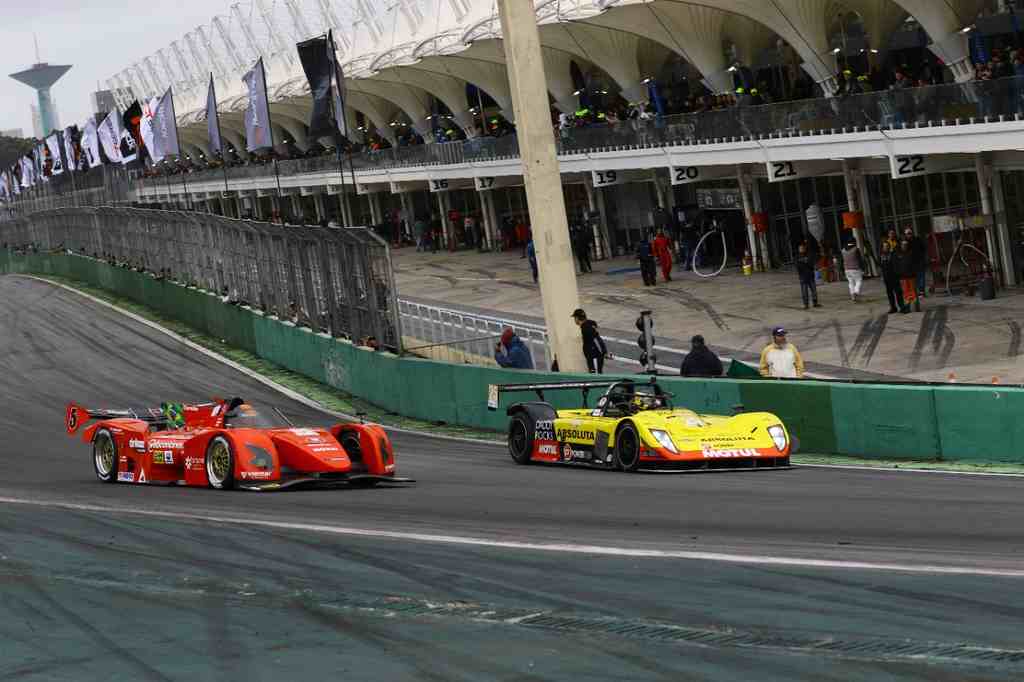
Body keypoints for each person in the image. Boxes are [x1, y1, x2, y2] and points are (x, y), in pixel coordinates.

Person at [571, 308, 608, 374]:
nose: (574, 320)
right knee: (595, 375)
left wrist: (604, 352)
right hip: (593, 356)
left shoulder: (586, 328)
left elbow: (596, 340)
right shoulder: (588, 324)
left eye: (575, 318)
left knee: (596, 376)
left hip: (594, 357)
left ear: (577, 318)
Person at [879, 241, 906, 314]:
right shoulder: (881, 256)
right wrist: (882, 276)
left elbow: (897, 265)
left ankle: (902, 307)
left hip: (894, 276)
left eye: (887, 246)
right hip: (886, 278)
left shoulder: (893, 254)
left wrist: (899, 274)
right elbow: (881, 267)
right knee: (890, 293)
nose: (886, 248)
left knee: (898, 292)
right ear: (882, 248)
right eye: (884, 246)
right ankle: (893, 307)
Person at [894, 238, 920, 312]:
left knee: (913, 291)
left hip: (911, 276)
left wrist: (914, 272)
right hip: (902, 277)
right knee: (905, 292)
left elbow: (915, 264)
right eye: (903, 244)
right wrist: (898, 273)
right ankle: (907, 306)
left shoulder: (911, 253)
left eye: (906, 245)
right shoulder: (898, 254)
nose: (904, 246)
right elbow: (895, 265)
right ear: (901, 245)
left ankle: (916, 306)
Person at [903, 226, 928, 298]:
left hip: (920, 261)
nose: (909, 235)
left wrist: (923, 258)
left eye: (910, 233)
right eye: (907, 234)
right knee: (915, 278)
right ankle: (917, 291)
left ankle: (922, 291)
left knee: (921, 277)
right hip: (912, 263)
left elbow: (923, 249)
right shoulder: (905, 242)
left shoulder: (917, 239)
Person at [795, 243, 820, 309]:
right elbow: (797, 266)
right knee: (804, 291)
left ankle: (815, 303)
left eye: (802, 248)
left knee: (813, 290)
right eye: (800, 249)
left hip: (810, 276)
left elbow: (811, 264)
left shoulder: (808, 255)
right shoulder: (797, 257)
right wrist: (805, 263)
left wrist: (806, 263)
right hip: (803, 277)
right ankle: (806, 304)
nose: (801, 249)